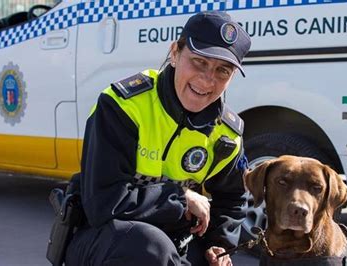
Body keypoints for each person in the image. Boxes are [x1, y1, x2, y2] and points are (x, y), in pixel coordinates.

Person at [65, 10, 252, 266]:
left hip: (175, 239)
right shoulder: (123, 106)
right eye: (199, 62)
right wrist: (180, 198)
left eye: (223, 70)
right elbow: (103, 203)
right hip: (105, 238)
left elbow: (233, 199)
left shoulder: (227, 135)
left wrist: (218, 243)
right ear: (175, 53)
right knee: (149, 246)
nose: (208, 80)